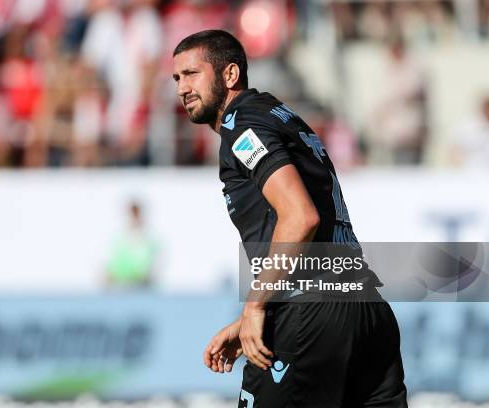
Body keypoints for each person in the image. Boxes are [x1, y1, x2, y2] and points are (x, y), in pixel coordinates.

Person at [172, 30, 407, 407]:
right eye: (177, 78)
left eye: (191, 74)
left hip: (311, 311)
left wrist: (256, 306)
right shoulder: (278, 115)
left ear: (230, 75)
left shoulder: (242, 126)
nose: (182, 88)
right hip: (365, 306)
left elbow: (300, 217)